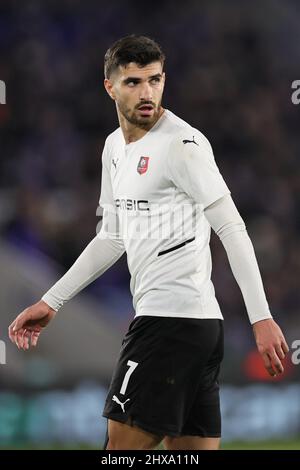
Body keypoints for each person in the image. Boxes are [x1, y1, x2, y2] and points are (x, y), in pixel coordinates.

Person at [8, 35, 289, 451]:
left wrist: (260, 317)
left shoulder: (183, 145)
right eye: (134, 82)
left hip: (168, 324)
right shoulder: (113, 148)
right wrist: (52, 301)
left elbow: (231, 228)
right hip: (190, 329)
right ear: (110, 87)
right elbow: (112, 236)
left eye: (154, 80)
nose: (147, 93)